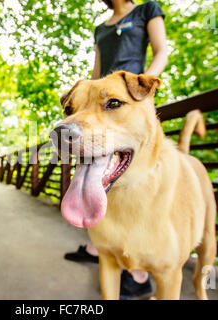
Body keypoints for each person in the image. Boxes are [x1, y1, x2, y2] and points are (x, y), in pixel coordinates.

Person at [64, 0, 168, 300]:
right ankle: (100, 246)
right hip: (99, 105)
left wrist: (143, 94)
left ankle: (139, 272)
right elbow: (96, 72)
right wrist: (85, 106)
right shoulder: (101, 27)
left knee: (142, 183)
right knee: (98, 174)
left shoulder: (147, 8)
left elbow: (161, 50)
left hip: (130, 97)